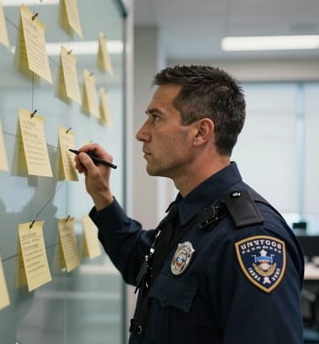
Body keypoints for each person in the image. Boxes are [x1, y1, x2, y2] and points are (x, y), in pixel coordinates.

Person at [74, 65, 304, 344]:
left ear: (200, 132)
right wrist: (103, 197)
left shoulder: (249, 238)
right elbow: (141, 262)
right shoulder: (193, 215)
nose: (141, 134)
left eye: (156, 118)